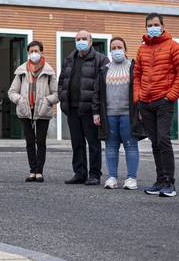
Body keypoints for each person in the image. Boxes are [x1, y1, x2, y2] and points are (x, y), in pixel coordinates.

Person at [134, 13, 179, 197]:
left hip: (163, 102)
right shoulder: (142, 49)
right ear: (146, 28)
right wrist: (138, 98)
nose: (153, 27)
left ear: (163, 26)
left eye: (156, 24)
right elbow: (137, 75)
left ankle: (169, 182)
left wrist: (170, 97)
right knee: (155, 142)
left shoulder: (174, 46)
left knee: (164, 140)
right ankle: (159, 180)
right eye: (149, 25)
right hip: (146, 103)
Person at [58, 30, 109, 186]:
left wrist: (97, 109)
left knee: (93, 144)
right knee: (77, 143)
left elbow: (102, 86)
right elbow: (62, 81)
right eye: (78, 39)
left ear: (91, 41)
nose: (81, 41)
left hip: (90, 110)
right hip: (72, 108)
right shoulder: (69, 59)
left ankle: (94, 174)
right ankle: (79, 173)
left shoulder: (101, 59)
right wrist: (62, 97)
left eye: (84, 39)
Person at [8, 40, 58, 183]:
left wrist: (47, 101)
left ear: (41, 52)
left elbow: (56, 94)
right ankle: (32, 170)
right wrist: (20, 100)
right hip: (25, 110)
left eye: (36, 51)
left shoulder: (49, 71)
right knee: (30, 141)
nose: (34, 54)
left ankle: (39, 172)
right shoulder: (21, 71)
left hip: (42, 111)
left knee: (40, 142)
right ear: (28, 53)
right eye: (31, 51)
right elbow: (11, 92)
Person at [99, 37, 145, 190]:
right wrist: (96, 113)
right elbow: (97, 93)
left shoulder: (134, 67)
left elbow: (141, 88)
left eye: (119, 47)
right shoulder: (104, 69)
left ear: (125, 50)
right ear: (110, 50)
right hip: (109, 115)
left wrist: (140, 110)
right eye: (113, 47)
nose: (116, 50)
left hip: (128, 114)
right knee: (111, 147)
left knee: (131, 146)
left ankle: (131, 178)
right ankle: (112, 178)